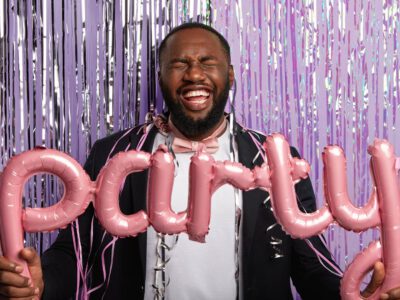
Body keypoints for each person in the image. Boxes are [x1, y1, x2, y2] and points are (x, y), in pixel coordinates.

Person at [0, 22, 399, 300]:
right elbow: (74, 252)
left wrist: (356, 294)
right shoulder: (114, 153)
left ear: (229, 75)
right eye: (179, 64)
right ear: (160, 76)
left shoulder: (276, 159)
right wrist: (40, 285)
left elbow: (312, 266)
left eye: (207, 63)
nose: (194, 74)